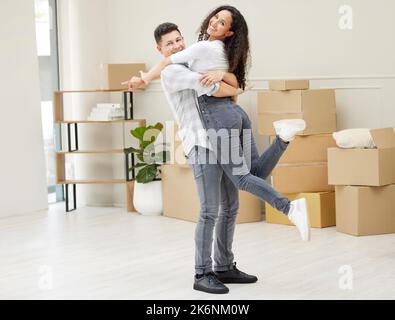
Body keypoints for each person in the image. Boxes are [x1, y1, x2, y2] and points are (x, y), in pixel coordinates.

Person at [127, 6, 310, 294]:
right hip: (201, 145)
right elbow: (218, 90)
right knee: (210, 211)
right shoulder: (173, 72)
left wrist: (223, 76)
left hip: (219, 137)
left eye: (178, 40)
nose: (176, 45)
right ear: (159, 49)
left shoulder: (192, 61)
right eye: (169, 43)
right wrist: (225, 81)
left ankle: (224, 266)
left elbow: (229, 86)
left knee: (231, 207)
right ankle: (202, 272)